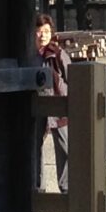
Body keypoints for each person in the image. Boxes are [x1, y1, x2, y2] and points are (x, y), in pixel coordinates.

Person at [34, 13, 71, 190]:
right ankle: (39, 189)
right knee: (35, 151)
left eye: (47, 31)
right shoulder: (29, 56)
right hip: (37, 108)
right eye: (39, 31)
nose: (43, 35)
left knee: (66, 149)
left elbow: (72, 78)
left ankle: (67, 190)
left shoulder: (57, 54)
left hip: (59, 108)